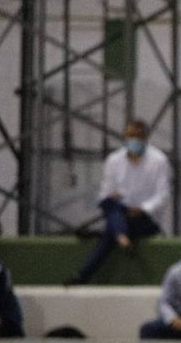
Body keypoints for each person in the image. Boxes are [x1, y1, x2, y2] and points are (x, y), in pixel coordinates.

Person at [65, 119, 171, 286]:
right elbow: (105, 194)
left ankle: (84, 273)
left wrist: (142, 208)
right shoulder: (114, 160)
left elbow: (163, 194)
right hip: (119, 210)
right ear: (124, 137)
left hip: (146, 219)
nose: (134, 140)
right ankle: (121, 235)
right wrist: (114, 196)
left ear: (145, 138)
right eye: (130, 136)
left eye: (138, 136)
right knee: (110, 205)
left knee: (110, 231)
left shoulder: (159, 160)